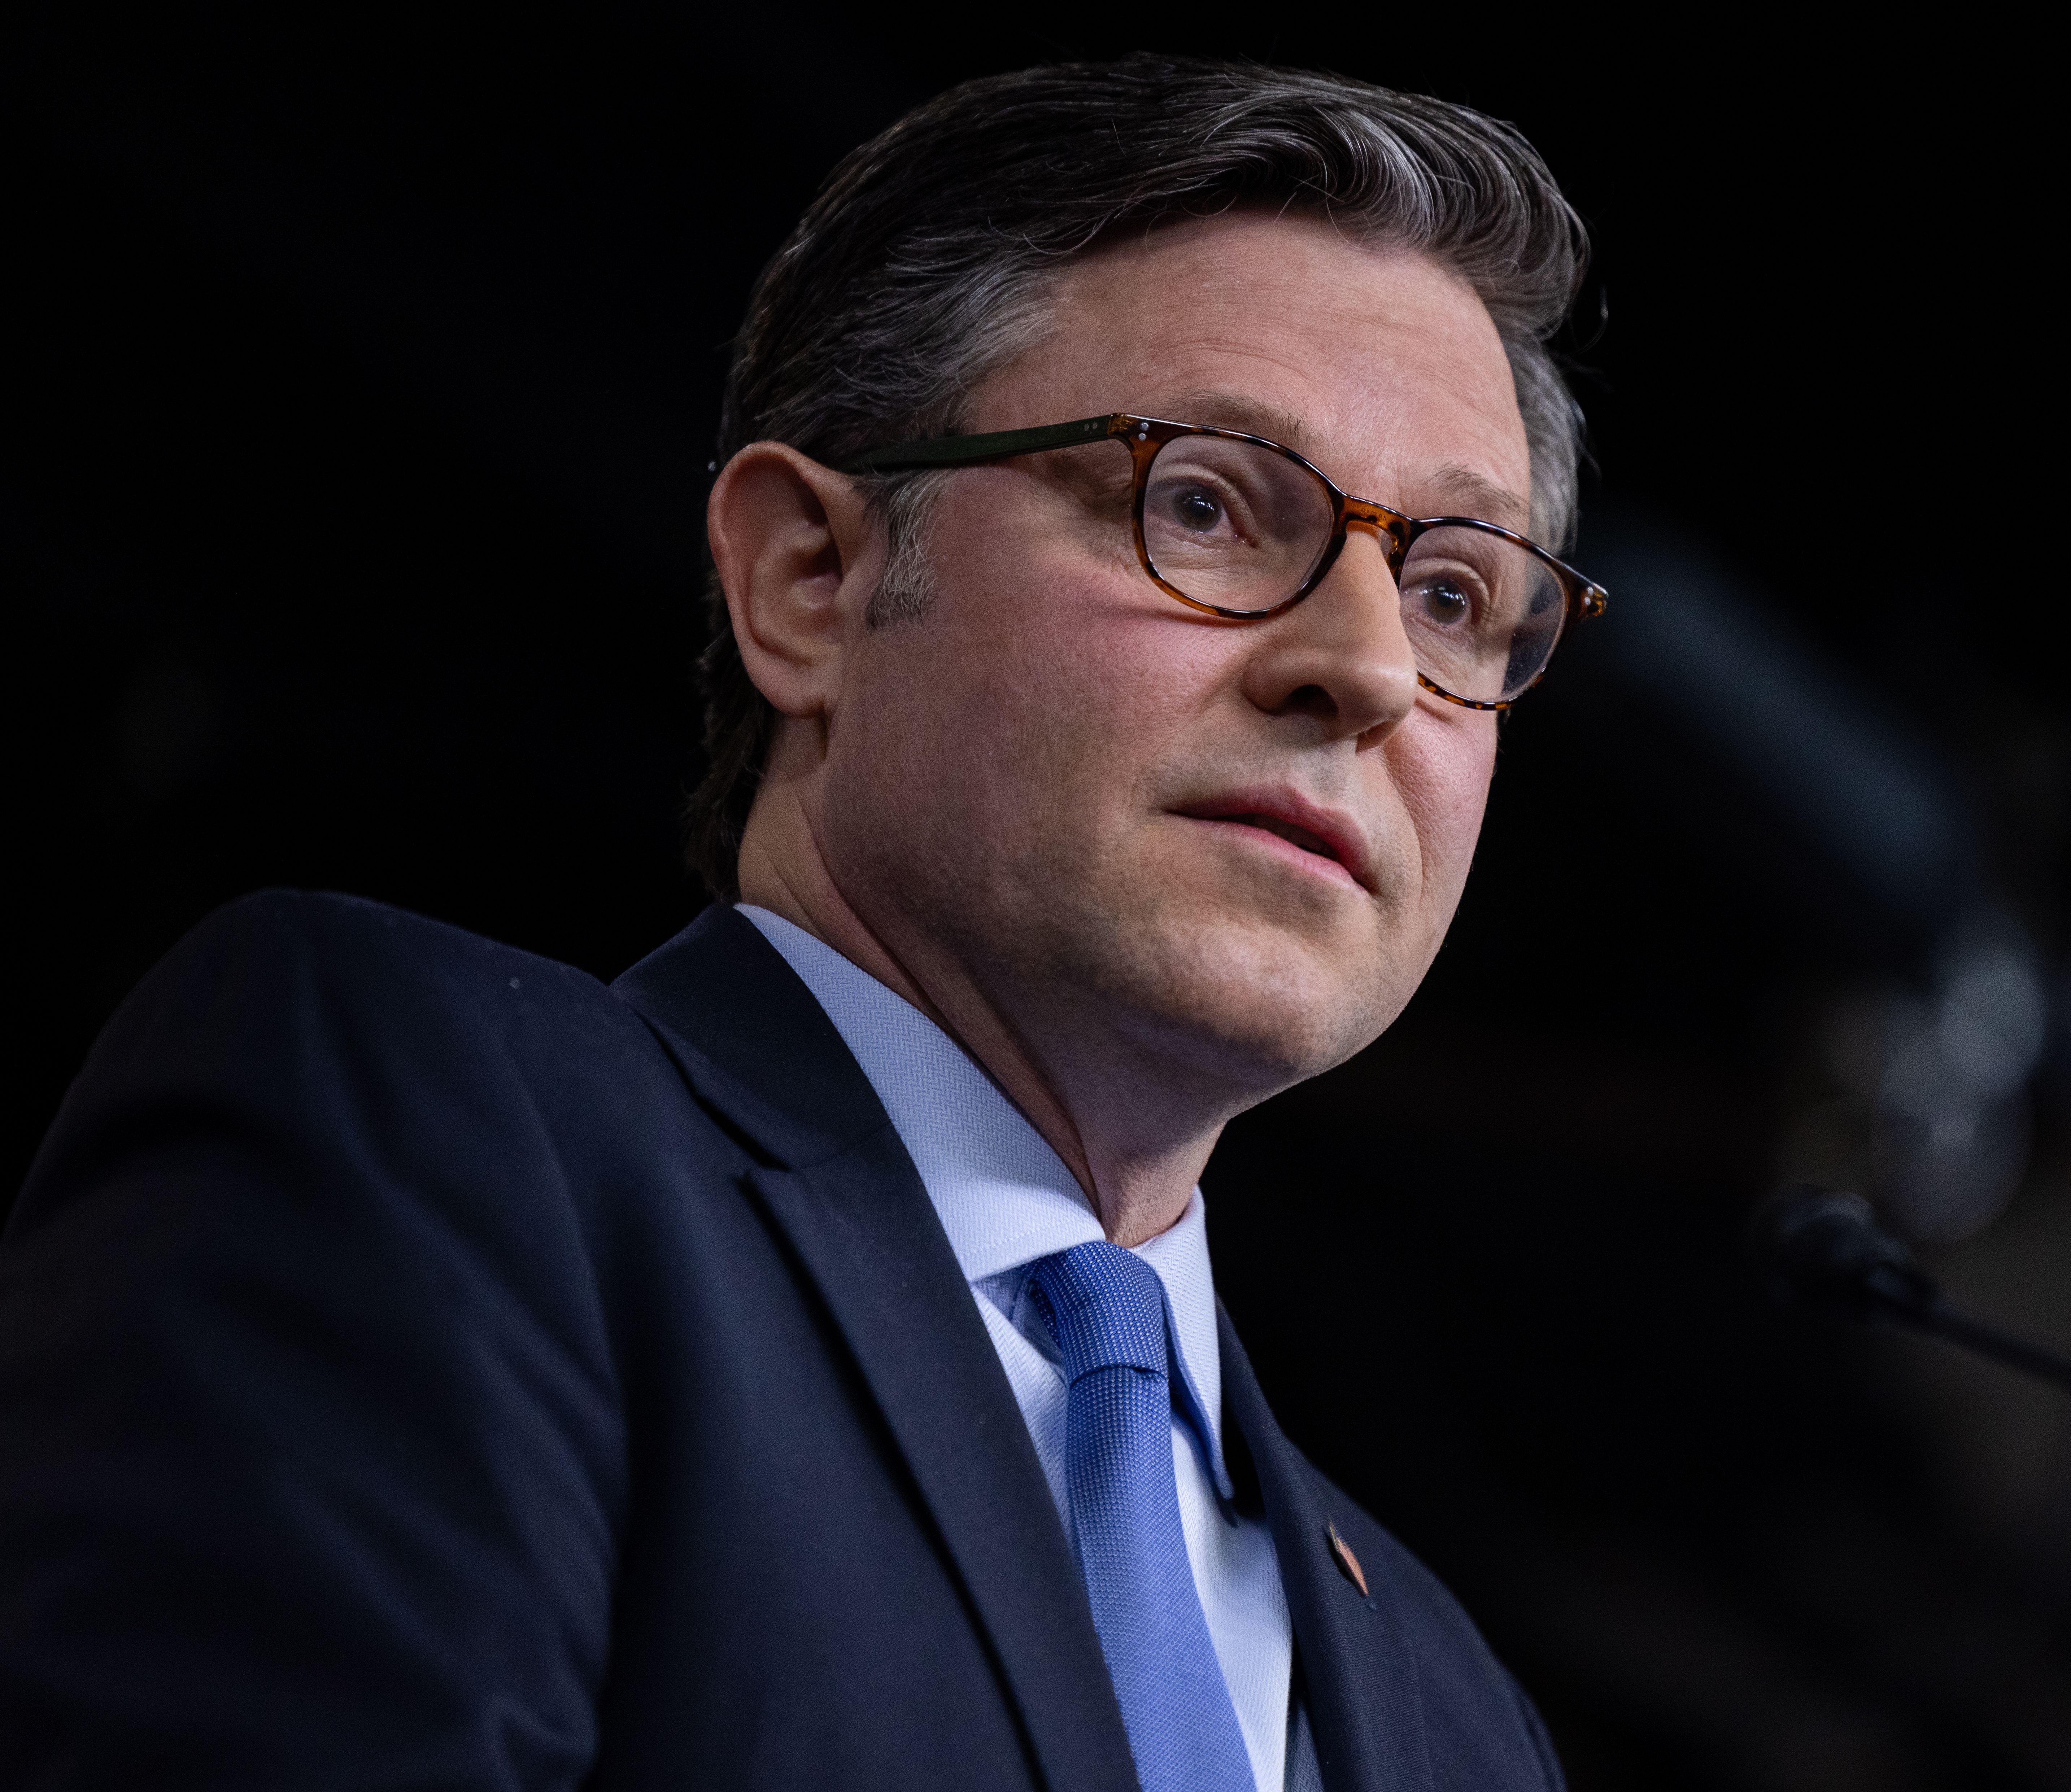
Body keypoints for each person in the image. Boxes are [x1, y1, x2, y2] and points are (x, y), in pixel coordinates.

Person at [0, 55, 1606, 1792]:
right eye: (1205, 502)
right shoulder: (427, 1132)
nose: (1366, 666)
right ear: (810, 582)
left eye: (1454, 592)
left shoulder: (1460, 1718)